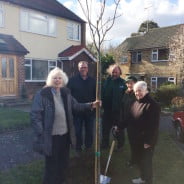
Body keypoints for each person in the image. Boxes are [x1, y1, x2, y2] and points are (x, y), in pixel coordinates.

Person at [30, 67, 99, 184]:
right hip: (51, 137)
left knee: (63, 163)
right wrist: (42, 133)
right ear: (50, 80)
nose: (57, 80)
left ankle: (61, 181)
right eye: (55, 78)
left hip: (65, 136)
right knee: (51, 165)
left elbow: (76, 106)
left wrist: (91, 105)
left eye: (59, 78)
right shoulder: (42, 94)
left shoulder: (65, 93)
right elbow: (35, 115)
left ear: (63, 80)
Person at [116, 81, 160, 184]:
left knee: (146, 162)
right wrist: (119, 126)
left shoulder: (153, 105)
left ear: (146, 90)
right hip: (135, 138)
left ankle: (148, 180)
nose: (137, 93)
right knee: (139, 160)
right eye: (135, 91)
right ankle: (142, 178)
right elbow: (128, 118)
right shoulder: (135, 102)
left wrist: (148, 141)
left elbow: (154, 126)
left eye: (139, 91)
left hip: (146, 141)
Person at [67, 61, 96, 152]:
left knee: (89, 131)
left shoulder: (93, 81)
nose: (83, 69)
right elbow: (68, 95)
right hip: (77, 111)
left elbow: (97, 95)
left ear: (87, 69)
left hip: (90, 111)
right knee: (77, 131)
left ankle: (88, 147)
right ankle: (78, 148)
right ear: (78, 69)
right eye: (81, 67)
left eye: (85, 67)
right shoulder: (72, 80)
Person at [101, 64, 127, 150]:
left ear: (120, 72)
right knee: (105, 128)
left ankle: (120, 145)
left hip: (118, 111)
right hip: (107, 110)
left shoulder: (123, 83)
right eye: (113, 72)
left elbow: (126, 97)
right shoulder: (106, 81)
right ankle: (105, 144)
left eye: (116, 71)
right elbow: (102, 93)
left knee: (119, 129)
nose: (114, 73)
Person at [120, 76, 137, 167]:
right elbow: (123, 107)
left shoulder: (137, 94)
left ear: (135, 83)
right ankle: (134, 159)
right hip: (128, 122)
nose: (129, 84)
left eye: (131, 82)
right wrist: (121, 121)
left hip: (136, 123)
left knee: (136, 142)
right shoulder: (126, 93)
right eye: (127, 83)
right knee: (132, 142)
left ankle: (135, 160)